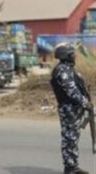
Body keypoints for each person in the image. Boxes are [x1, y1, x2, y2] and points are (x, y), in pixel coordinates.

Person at [50, 43, 93, 174]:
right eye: (72, 54)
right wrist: (85, 102)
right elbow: (71, 91)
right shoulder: (62, 70)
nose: (74, 56)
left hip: (73, 108)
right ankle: (70, 167)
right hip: (68, 108)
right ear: (66, 56)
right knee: (70, 137)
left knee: (73, 137)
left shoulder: (68, 69)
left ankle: (72, 165)